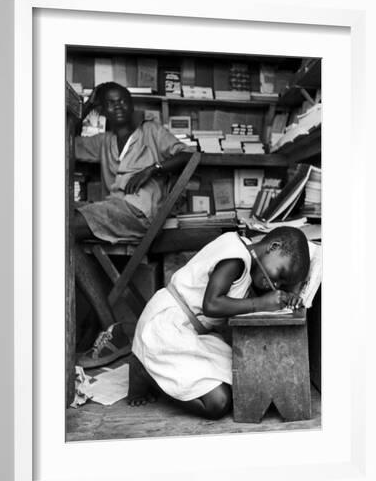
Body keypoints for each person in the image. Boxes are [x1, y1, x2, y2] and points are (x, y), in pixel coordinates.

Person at [128, 226, 310, 419]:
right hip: (165, 328)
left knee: (244, 381)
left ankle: (158, 371)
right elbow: (212, 305)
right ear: (274, 247)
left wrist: (287, 298)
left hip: (190, 333)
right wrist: (261, 303)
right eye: (280, 274)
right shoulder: (235, 258)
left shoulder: (248, 259)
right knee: (218, 403)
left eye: (282, 284)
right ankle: (147, 373)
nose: (276, 284)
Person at [72, 82, 192, 368]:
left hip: (137, 213)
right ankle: (107, 327)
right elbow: (67, 145)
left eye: (124, 101)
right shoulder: (103, 141)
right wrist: (83, 111)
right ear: (102, 112)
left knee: (62, 230)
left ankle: (112, 329)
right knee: (62, 228)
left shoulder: (151, 132)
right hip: (112, 212)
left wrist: (155, 168)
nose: (119, 107)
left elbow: (187, 155)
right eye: (111, 104)